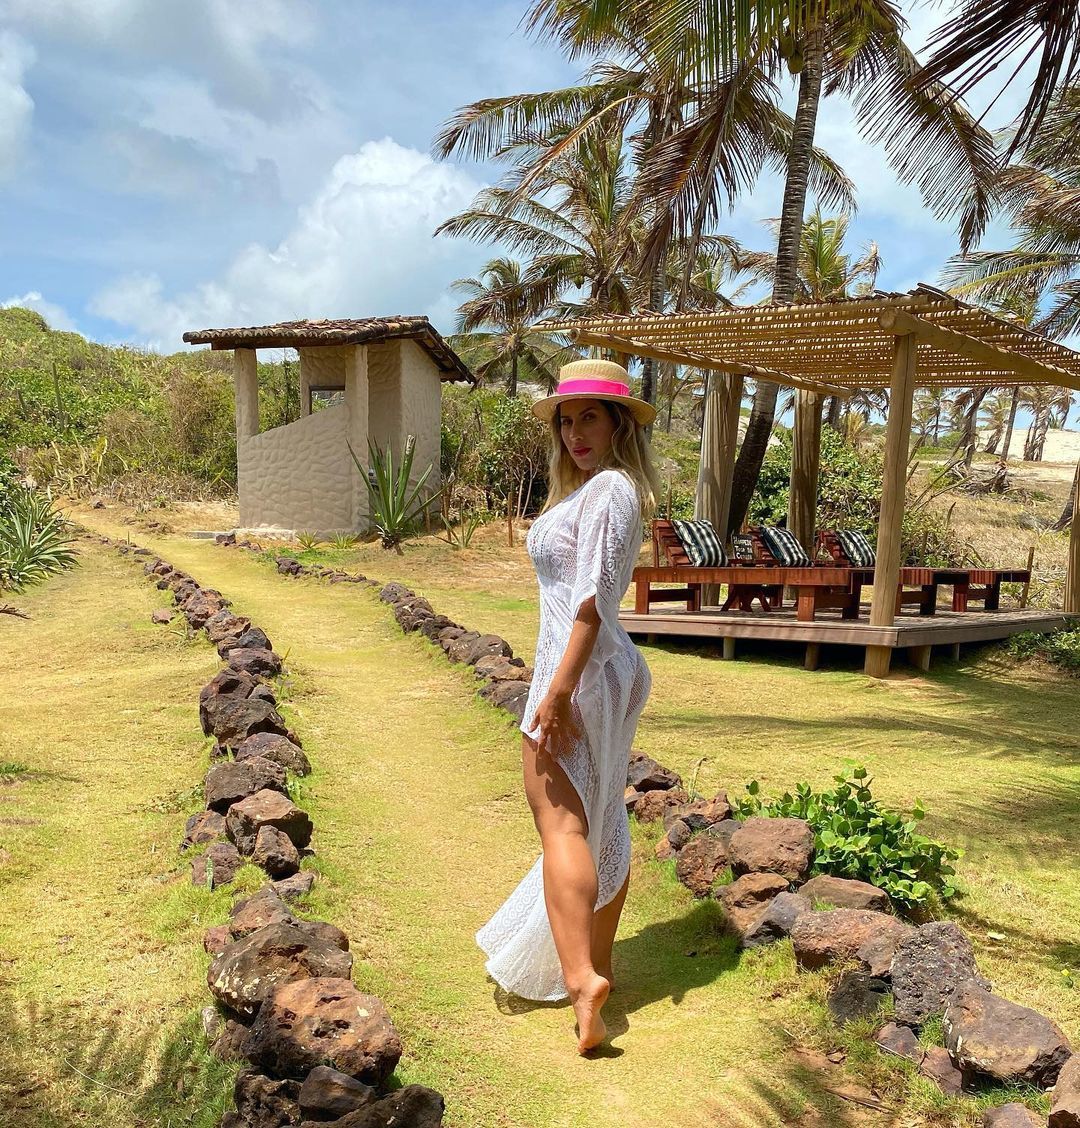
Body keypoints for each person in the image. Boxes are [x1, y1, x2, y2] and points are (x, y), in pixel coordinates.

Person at [475, 358, 661, 1055]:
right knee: (600, 817)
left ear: (619, 425)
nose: (575, 432)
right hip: (595, 669)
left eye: (590, 418)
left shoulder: (610, 489)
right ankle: (597, 963)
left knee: (561, 824)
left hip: (581, 671)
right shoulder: (600, 492)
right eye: (566, 420)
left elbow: (590, 604)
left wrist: (555, 692)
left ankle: (582, 979)